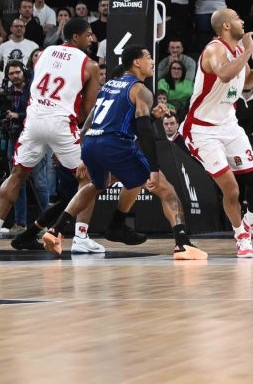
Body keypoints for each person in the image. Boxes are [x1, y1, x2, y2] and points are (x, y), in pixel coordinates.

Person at [36, 46, 206, 260]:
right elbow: (144, 132)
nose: (152, 61)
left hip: (91, 142)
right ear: (137, 62)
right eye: (148, 57)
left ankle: (56, 230)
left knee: (98, 184)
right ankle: (182, 244)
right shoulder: (140, 90)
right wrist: (154, 168)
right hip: (115, 145)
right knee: (166, 190)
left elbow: (92, 120)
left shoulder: (108, 85)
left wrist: (83, 151)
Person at [0, 18, 100, 254]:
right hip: (61, 122)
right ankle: (81, 238)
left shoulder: (44, 53)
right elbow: (87, 109)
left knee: (17, 175)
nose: (92, 39)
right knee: (90, 178)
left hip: (34, 120)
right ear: (76, 37)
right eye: (88, 35)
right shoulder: (90, 65)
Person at [181, 8, 253, 258]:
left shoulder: (238, 51)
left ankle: (252, 220)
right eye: (237, 18)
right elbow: (225, 75)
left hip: (228, 124)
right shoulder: (214, 49)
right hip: (202, 130)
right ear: (226, 26)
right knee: (232, 189)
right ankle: (241, 235)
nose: (242, 21)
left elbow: (245, 81)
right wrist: (249, 50)